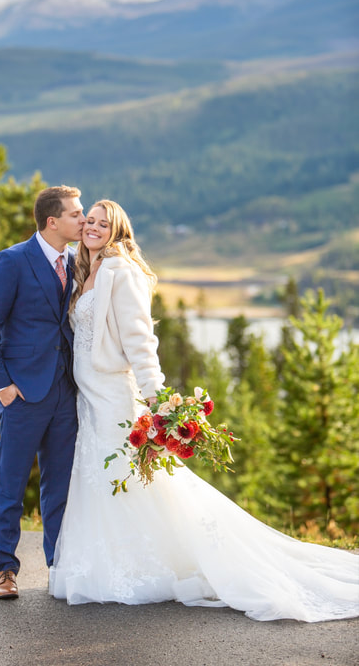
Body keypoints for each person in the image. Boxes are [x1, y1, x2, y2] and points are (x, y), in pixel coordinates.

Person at [49, 199, 359, 622]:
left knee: (132, 479)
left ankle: (154, 567)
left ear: (118, 231)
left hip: (114, 398)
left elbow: (141, 341)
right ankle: (107, 566)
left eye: (104, 224)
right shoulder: (87, 270)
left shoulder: (122, 272)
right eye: (90, 221)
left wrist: (158, 400)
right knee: (104, 480)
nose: (93, 228)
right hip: (88, 399)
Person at [0, 185, 85, 599]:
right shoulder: (12, 261)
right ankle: (5, 567)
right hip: (21, 393)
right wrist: (2, 386)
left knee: (60, 485)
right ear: (52, 221)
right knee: (11, 482)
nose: (83, 219)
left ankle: (58, 567)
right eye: (76, 214)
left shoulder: (77, 262)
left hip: (65, 392)